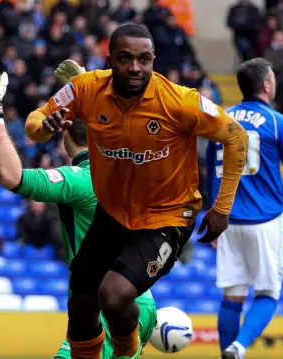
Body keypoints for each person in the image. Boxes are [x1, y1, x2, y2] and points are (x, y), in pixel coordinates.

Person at [25, 23, 249, 359]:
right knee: (81, 300)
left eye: (144, 59)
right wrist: (45, 128)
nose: (135, 67)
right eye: (125, 58)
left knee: (113, 296)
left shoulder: (180, 102)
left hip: (167, 217)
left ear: (153, 60)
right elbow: (35, 122)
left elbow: (236, 136)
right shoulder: (85, 89)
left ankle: (125, 354)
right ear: (110, 58)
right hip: (114, 212)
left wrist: (222, 207)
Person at [0, 62, 157, 359]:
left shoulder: (79, 180)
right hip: (140, 300)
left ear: (65, 134)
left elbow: (11, 176)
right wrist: (92, 89)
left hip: (103, 305)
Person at [207, 58, 283, 359]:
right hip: (265, 219)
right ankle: (238, 347)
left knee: (232, 295)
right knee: (267, 294)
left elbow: (212, 170)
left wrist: (214, 215)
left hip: (228, 220)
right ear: (266, 85)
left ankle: (228, 350)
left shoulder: (221, 120)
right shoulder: (281, 123)